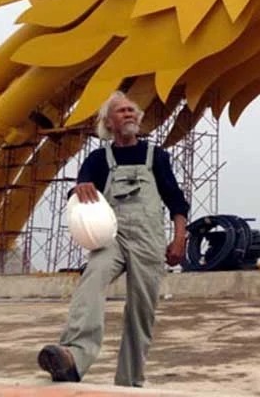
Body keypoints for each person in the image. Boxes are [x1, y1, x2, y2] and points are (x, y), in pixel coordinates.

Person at [38, 91, 189, 387]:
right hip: (112, 237)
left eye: (132, 110)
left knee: (141, 309)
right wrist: (77, 190)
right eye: (121, 111)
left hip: (148, 239)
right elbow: (80, 187)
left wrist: (180, 237)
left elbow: (176, 200)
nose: (130, 114)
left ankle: (129, 382)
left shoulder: (155, 156)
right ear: (108, 122)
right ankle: (74, 356)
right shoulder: (99, 159)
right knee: (93, 276)